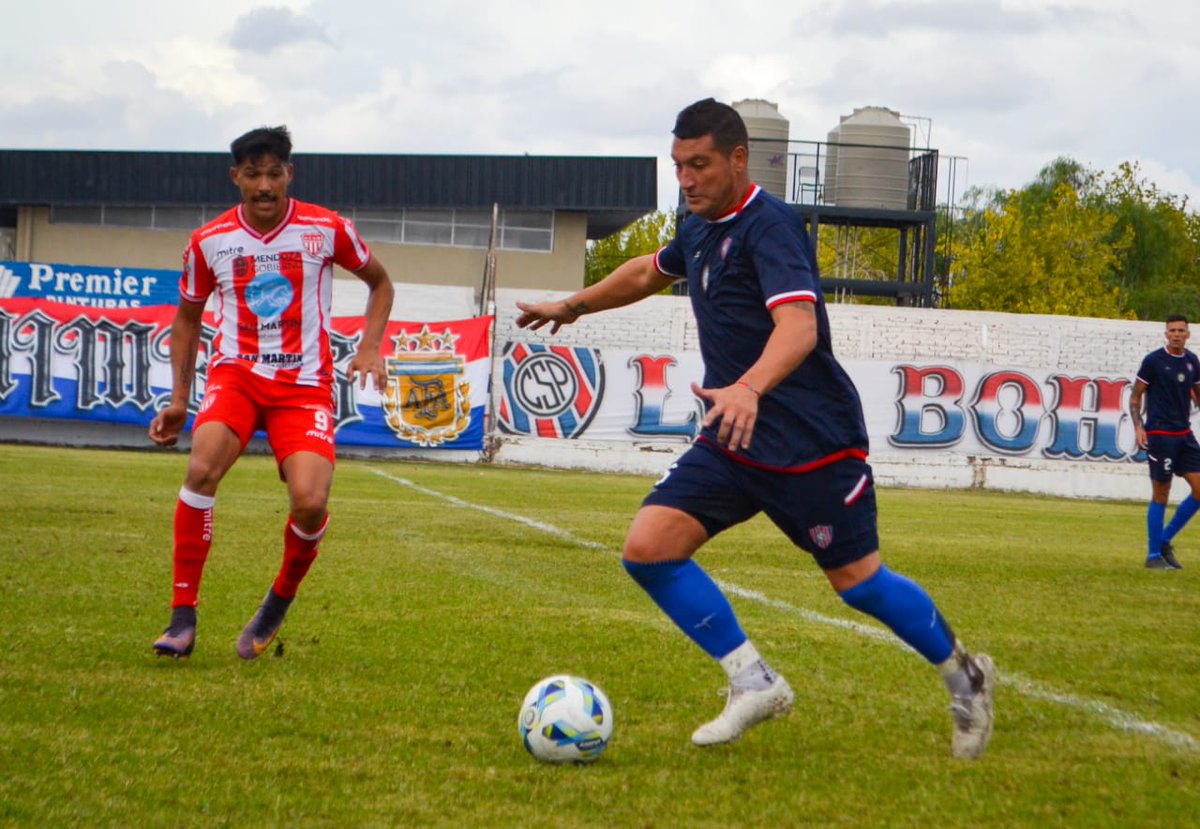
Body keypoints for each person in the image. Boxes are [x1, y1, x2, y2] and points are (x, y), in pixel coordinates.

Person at [515, 98, 995, 758]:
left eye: (700, 164)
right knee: (650, 548)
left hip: (810, 443)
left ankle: (965, 674)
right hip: (735, 438)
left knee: (859, 583)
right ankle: (753, 680)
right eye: (678, 165)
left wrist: (748, 387)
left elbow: (799, 327)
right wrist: (572, 305)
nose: (686, 179)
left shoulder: (770, 227)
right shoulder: (699, 228)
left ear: (738, 159)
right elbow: (648, 270)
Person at [149, 125, 395, 659]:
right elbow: (187, 318)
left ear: (289, 175)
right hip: (236, 377)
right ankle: (182, 618)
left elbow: (381, 282)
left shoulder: (326, 228)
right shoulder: (209, 240)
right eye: (253, 174)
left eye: (274, 173)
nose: (264, 185)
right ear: (235, 177)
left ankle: (280, 597)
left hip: (303, 388)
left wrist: (371, 347)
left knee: (310, 502)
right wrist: (179, 400)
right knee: (201, 468)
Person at [1130, 314, 1200, 570]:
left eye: (1181, 330)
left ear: (1188, 334)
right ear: (1166, 334)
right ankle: (1152, 557)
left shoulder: (1192, 361)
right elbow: (1135, 397)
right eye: (1172, 330)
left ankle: (1164, 540)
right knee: (1162, 492)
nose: (1177, 334)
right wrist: (1139, 426)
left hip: (1184, 435)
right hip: (1160, 435)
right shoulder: (1154, 361)